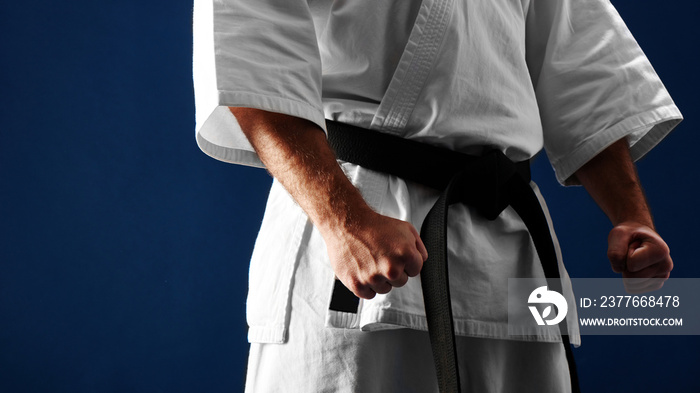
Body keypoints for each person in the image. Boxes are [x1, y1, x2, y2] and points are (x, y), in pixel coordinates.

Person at [192, 0, 681, 391]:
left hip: (507, 248)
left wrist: (630, 217)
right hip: (362, 236)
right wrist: (344, 221)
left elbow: (585, 65)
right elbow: (251, 57)